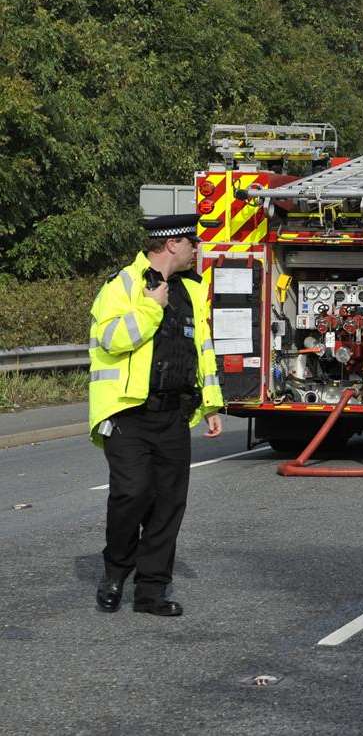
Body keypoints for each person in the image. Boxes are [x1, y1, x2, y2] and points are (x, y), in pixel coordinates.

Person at [89, 214, 224, 617]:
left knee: (168, 505)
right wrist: (149, 310)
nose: (196, 251)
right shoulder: (123, 285)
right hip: (128, 413)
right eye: (191, 243)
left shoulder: (193, 291)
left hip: (173, 414)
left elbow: (202, 350)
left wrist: (212, 404)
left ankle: (151, 592)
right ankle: (115, 571)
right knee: (132, 494)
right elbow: (109, 341)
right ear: (170, 245)